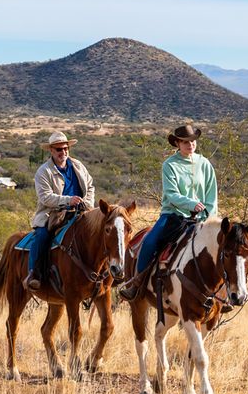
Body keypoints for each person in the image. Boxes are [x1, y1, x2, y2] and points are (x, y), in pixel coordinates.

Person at [119, 124, 218, 301]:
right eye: (185, 142)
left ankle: (221, 293)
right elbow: (172, 195)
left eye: (193, 141)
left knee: (222, 249)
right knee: (149, 242)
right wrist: (191, 204)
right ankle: (137, 284)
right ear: (177, 143)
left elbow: (212, 195)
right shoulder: (170, 165)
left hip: (202, 220)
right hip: (173, 216)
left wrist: (209, 217)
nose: (190, 145)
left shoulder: (205, 164)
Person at [25, 131, 96, 290]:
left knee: (102, 231)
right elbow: (45, 197)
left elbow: (90, 185)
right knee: (42, 236)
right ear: (51, 150)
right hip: (53, 214)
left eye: (65, 148)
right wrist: (67, 200)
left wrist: (88, 204)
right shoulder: (44, 171)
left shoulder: (78, 165)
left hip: (81, 211)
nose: (63, 152)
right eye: (58, 149)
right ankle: (34, 273)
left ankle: (106, 272)